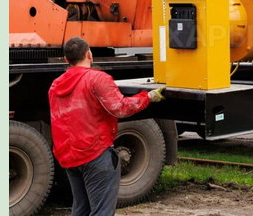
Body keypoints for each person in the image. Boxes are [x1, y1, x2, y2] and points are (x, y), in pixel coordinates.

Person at [48, 37, 166, 216]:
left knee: (81, 209)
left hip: (68, 156)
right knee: (102, 211)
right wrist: (148, 97)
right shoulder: (97, 79)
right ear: (89, 54)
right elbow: (120, 108)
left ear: (66, 59)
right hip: (94, 154)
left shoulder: (56, 85)